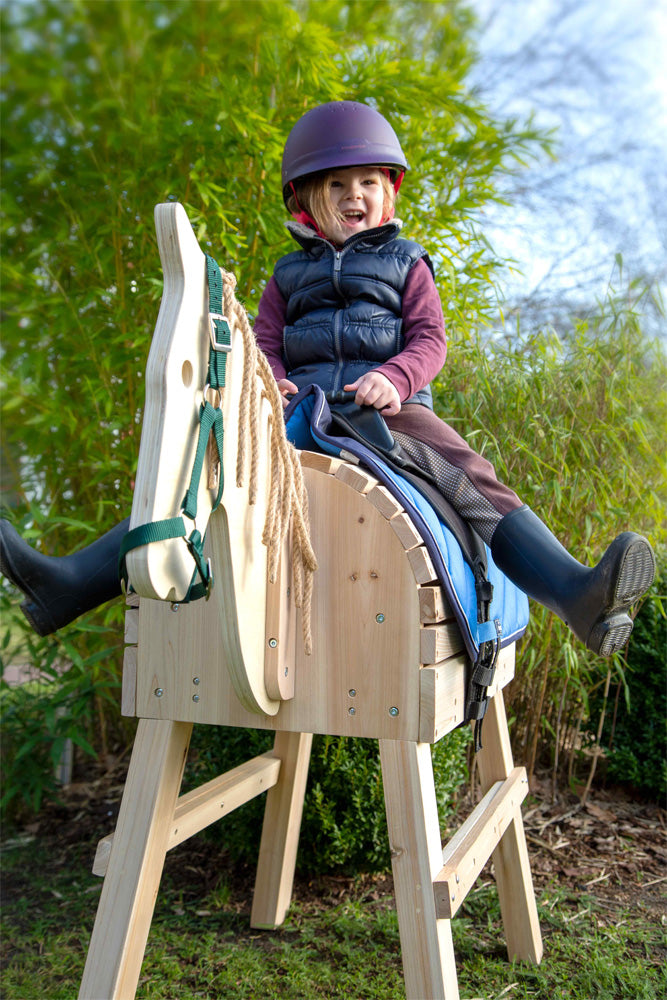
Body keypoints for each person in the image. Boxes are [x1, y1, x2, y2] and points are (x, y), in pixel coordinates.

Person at [0, 101, 655, 656]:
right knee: (199, 470)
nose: (354, 196)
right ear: (309, 199)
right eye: (338, 185)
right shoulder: (286, 276)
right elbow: (262, 344)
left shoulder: (405, 263)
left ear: (388, 192)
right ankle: (70, 583)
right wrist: (270, 381)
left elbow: (430, 339)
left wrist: (396, 379)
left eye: (368, 183)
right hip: (297, 407)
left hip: (384, 409)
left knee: (465, 471)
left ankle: (572, 592)